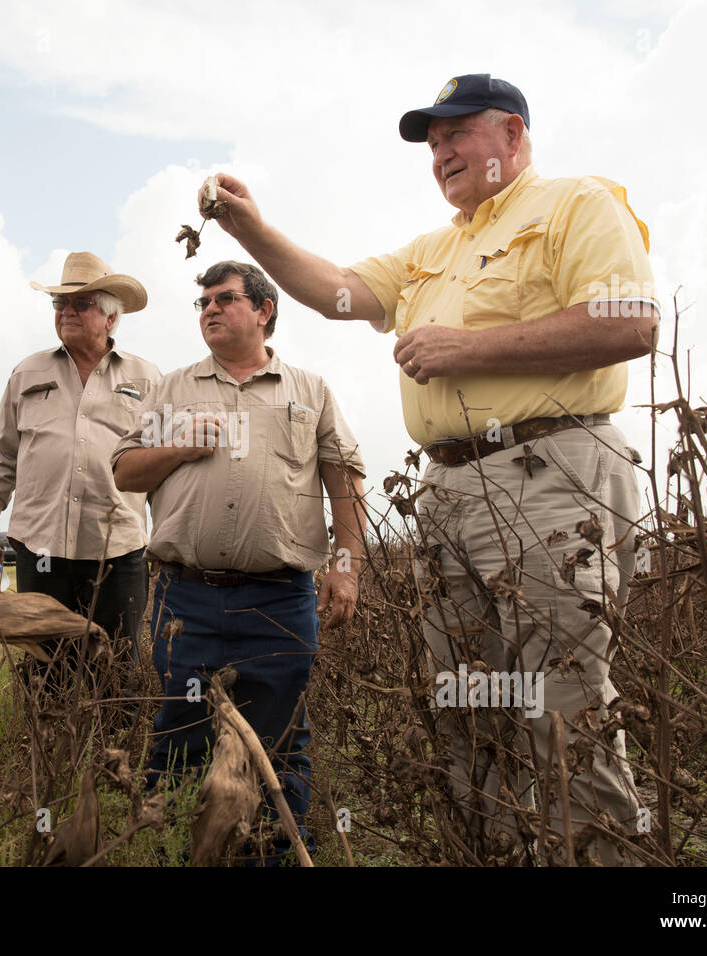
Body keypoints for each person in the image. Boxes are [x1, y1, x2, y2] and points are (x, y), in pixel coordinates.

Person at [205, 74, 658, 865]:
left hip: (552, 475)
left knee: (562, 708)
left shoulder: (577, 204)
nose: (441, 151)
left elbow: (632, 321)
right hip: (450, 493)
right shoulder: (436, 249)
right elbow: (340, 292)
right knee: (467, 708)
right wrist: (249, 228)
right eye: (432, 141)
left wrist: (467, 347)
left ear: (512, 135)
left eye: (458, 133)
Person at [113, 260, 366, 861]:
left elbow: (345, 478)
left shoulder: (310, 390)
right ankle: (176, 851)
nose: (209, 310)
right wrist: (181, 445)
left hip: (280, 599)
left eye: (224, 299)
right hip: (186, 598)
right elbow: (124, 471)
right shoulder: (171, 389)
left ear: (263, 310)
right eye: (201, 303)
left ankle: (272, 855)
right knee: (181, 735)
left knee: (277, 743)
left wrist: (347, 566)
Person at [0, 252, 160, 689]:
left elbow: (161, 470)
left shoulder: (148, 378)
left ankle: (111, 754)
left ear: (111, 319)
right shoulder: (28, 371)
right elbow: (1, 454)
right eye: (59, 304)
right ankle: (44, 752)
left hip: (119, 550)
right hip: (41, 546)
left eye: (81, 303)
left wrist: (169, 544)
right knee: (46, 665)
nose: (67, 312)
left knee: (116, 670)